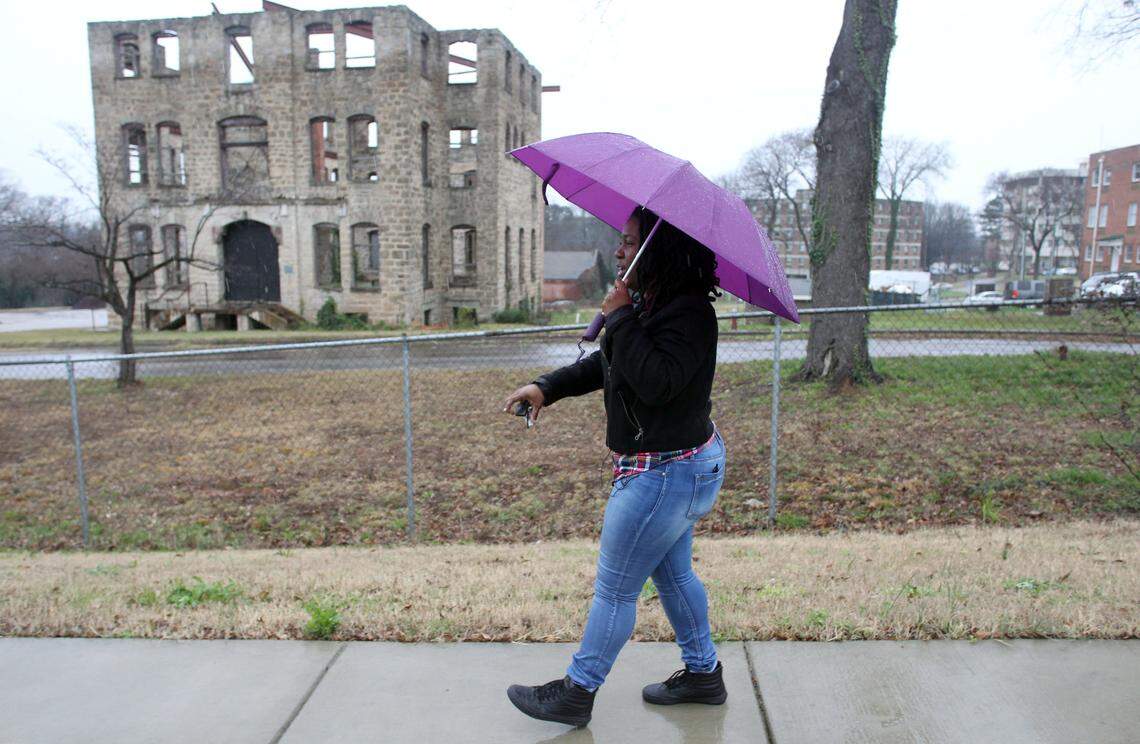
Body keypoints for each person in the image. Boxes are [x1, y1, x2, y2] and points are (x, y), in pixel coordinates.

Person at [502, 207, 727, 728]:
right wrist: (548, 387)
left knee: (616, 588)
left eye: (630, 242)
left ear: (659, 251)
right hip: (678, 467)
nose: (621, 250)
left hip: (665, 474)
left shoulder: (688, 314)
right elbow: (611, 365)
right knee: (674, 577)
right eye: (623, 241)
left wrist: (621, 315)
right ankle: (703, 674)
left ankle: (576, 692)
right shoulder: (653, 305)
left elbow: (658, 381)